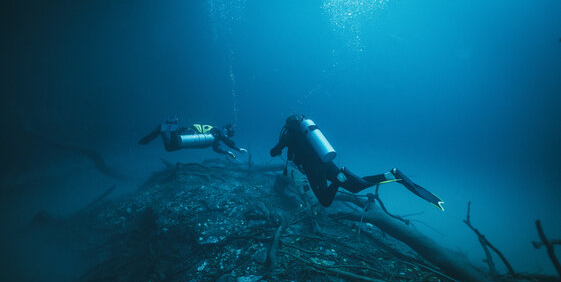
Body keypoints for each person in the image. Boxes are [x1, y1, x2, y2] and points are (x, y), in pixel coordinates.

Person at [270, 114, 444, 209]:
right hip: (327, 162)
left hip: (315, 169)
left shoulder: (290, 135)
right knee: (355, 187)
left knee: (325, 201)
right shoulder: (308, 133)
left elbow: (273, 152)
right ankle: (390, 174)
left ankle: (340, 179)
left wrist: (281, 145)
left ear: (288, 126)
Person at [139, 117, 247, 159]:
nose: (228, 135)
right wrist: (237, 149)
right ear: (227, 130)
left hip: (188, 141)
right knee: (174, 142)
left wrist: (227, 152)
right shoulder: (220, 131)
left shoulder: (216, 136)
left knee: (169, 148)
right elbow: (227, 141)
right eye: (230, 133)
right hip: (189, 135)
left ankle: (163, 129)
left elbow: (216, 148)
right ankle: (173, 126)